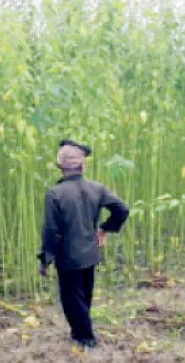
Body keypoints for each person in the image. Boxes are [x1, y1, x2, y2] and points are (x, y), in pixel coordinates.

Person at [38, 139, 129, 348]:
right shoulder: (97, 188)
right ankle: (80, 334)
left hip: (68, 258)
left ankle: (86, 340)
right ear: (82, 165)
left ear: (59, 167)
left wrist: (46, 259)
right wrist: (105, 229)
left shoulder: (55, 194)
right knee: (83, 297)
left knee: (72, 301)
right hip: (90, 254)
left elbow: (51, 231)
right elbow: (122, 209)